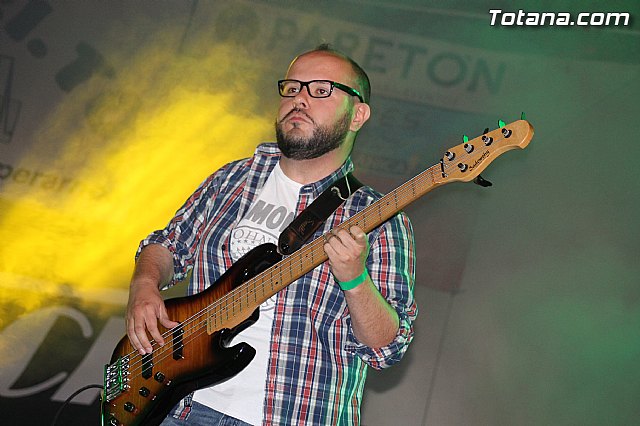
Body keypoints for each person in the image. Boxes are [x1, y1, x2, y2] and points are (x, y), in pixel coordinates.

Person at [125, 44, 417, 426]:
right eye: (292, 88)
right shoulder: (232, 178)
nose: (300, 99)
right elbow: (168, 244)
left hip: (292, 415)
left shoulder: (380, 218)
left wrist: (355, 279)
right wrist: (143, 286)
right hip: (179, 406)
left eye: (321, 90)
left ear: (357, 115)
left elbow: (386, 348)